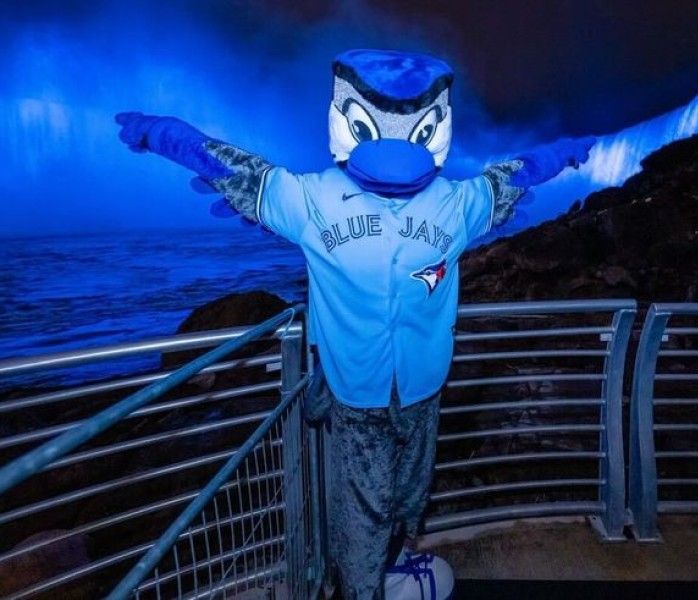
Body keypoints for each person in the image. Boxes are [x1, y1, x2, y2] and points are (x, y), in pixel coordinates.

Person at [116, 48, 594, 600]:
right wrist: (167, 136)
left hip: (423, 390)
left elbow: (518, 173)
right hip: (356, 395)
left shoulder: (455, 204)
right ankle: (362, 587)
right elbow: (234, 168)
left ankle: (391, 563)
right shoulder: (314, 199)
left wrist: (561, 152)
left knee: (410, 493)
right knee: (362, 510)